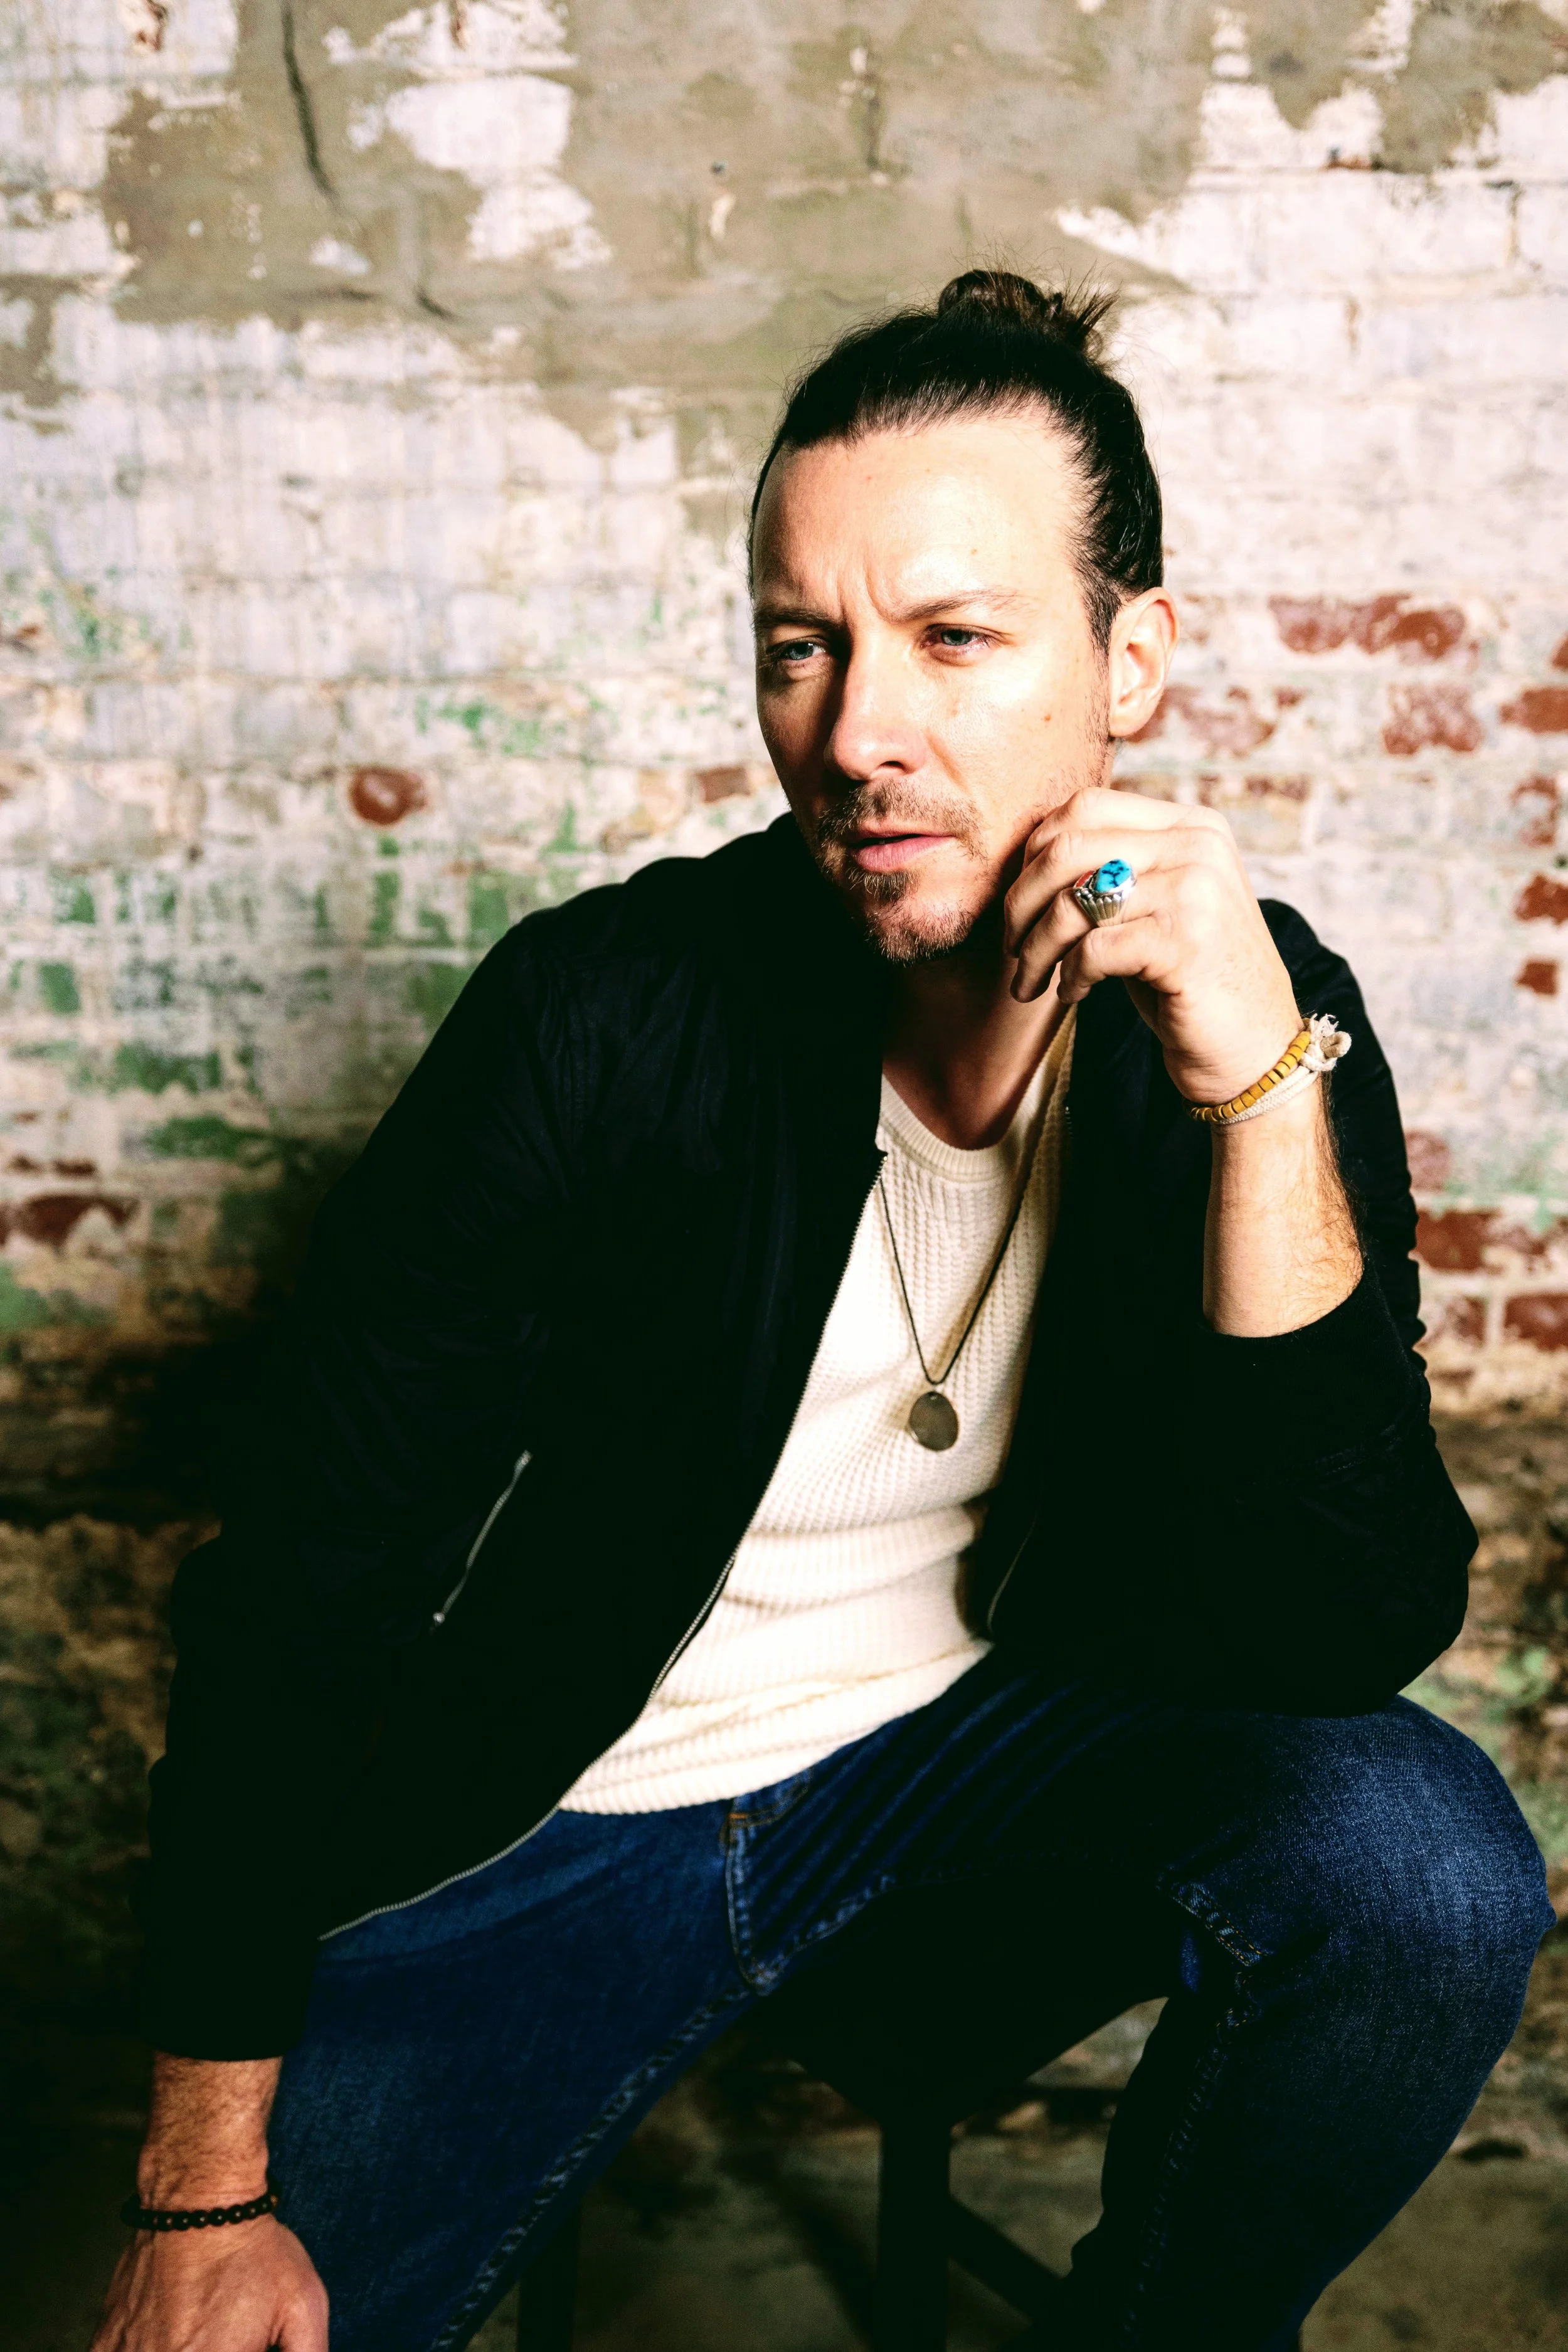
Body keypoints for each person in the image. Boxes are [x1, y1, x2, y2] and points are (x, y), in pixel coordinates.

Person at [93, 272, 1552, 2352]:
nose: (859, 730)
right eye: (805, 645)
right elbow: (302, 1588)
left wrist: (1250, 1081)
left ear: (1127, 660)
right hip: (567, 1820)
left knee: (1423, 1864)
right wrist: (202, 2186)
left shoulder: (1251, 1006)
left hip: (973, 1777)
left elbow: (1339, 1629)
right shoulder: (597, 1014)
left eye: (956, 637)